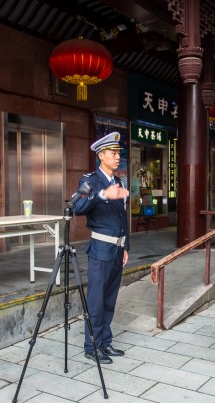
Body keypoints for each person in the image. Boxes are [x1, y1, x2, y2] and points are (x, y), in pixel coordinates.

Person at [72, 132, 129, 364]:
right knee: (96, 301)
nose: (117, 157)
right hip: (100, 249)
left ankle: (105, 342)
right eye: (113, 153)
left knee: (109, 300)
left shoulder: (119, 182)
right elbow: (78, 206)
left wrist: (126, 246)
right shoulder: (90, 181)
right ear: (101, 155)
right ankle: (92, 346)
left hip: (117, 250)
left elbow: (122, 218)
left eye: (118, 153)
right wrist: (103, 194)